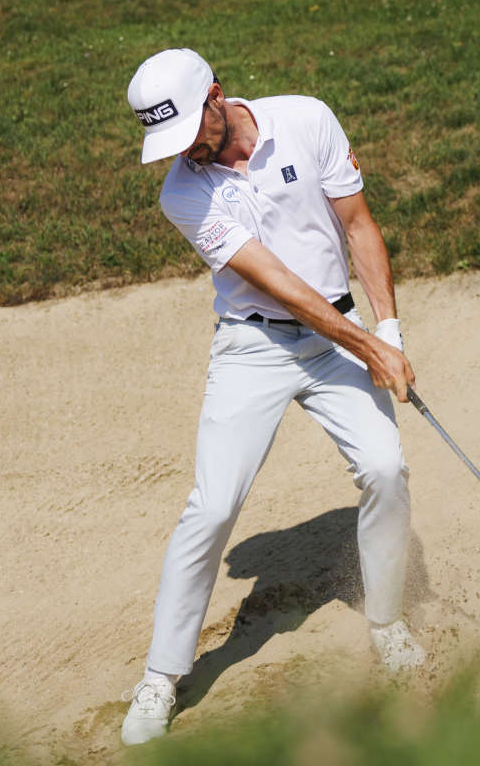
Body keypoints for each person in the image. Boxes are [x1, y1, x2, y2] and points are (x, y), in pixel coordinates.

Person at [118, 48, 425, 746]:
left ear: (216, 96)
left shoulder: (307, 119)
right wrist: (367, 347)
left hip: (340, 332)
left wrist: (390, 330)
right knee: (214, 503)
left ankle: (388, 621)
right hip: (253, 346)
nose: (187, 150)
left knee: (384, 468)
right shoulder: (182, 194)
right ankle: (162, 675)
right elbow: (278, 282)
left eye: (191, 131)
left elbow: (358, 225)